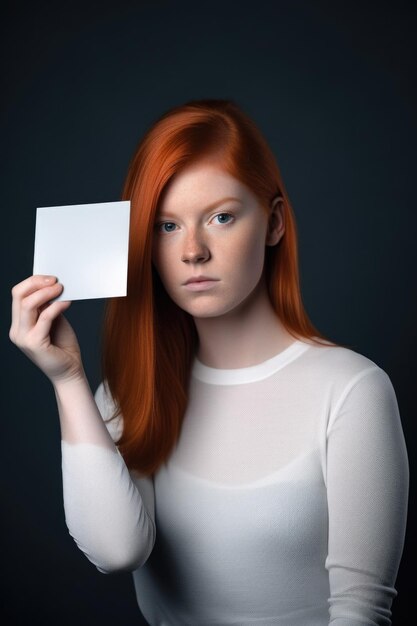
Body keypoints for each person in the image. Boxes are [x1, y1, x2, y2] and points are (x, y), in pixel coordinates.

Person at [10, 98, 409, 625]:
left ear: (274, 223)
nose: (192, 251)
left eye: (221, 217)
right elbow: (116, 551)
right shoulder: (131, 392)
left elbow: (361, 611)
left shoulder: (353, 390)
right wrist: (67, 380)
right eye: (166, 226)